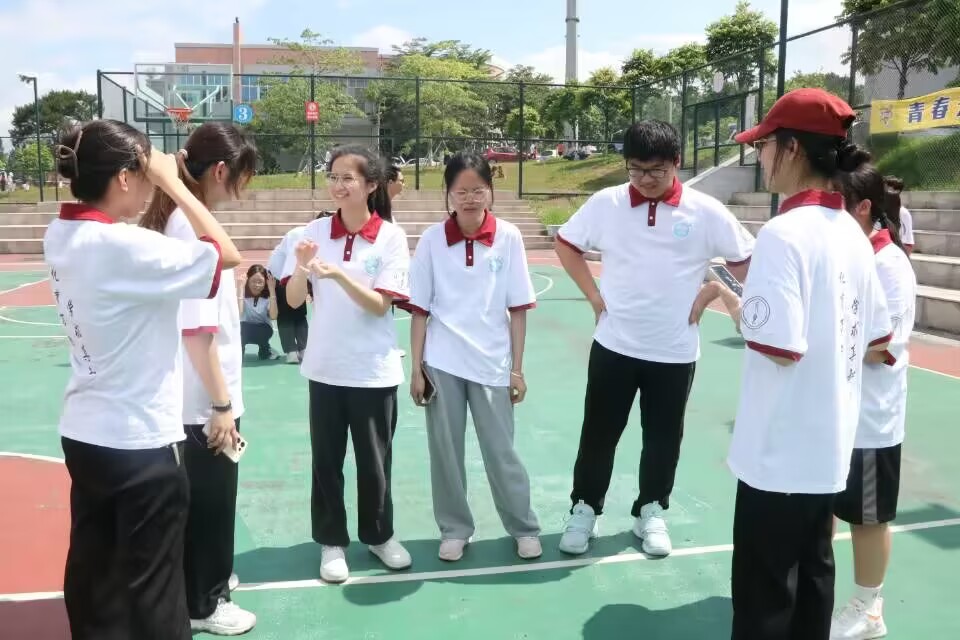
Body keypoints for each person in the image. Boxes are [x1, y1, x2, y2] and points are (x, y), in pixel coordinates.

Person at [43, 119, 242, 639]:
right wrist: (177, 184)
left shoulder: (61, 233)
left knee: (95, 573)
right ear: (125, 177)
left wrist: (157, 173)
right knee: (154, 590)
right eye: (146, 172)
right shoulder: (124, 247)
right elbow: (225, 254)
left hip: (86, 431)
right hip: (138, 442)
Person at [722, 88, 894, 640]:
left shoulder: (784, 233)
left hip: (778, 452)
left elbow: (778, 344)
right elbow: (879, 338)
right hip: (829, 448)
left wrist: (737, 305)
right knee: (813, 582)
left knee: (765, 597)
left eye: (765, 145)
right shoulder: (853, 234)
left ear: (792, 147)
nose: (761, 157)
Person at [553, 120, 755, 557]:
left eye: (656, 170)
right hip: (614, 345)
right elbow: (566, 244)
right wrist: (593, 296)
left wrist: (714, 292)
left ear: (676, 163)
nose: (645, 180)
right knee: (598, 434)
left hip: (674, 350)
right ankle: (585, 507)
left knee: (663, 438)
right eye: (636, 169)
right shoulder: (606, 204)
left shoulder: (705, 211)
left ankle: (651, 509)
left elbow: (745, 262)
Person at [139, 122, 258, 635]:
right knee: (212, 503)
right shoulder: (192, 231)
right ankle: (207, 602)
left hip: (194, 395)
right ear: (221, 171)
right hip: (202, 399)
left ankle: (205, 585)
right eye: (244, 175)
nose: (245, 186)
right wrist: (221, 406)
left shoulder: (178, 222)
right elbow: (198, 331)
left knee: (202, 502)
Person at [283, 144, 412, 583]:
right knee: (326, 461)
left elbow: (380, 306)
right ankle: (331, 542)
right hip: (325, 368)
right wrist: (302, 269)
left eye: (347, 178)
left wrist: (338, 275)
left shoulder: (390, 237)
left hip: (373, 370)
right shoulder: (315, 231)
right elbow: (294, 300)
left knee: (374, 463)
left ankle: (379, 535)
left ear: (371, 185)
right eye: (333, 177)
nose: (338, 185)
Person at [404, 152, 541, 562]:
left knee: (501, 451)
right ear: (448, 194)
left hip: (492, 363)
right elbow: (419, 310)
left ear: (490, 192)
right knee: (446, 453)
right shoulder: (432, 240)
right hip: (442, 362)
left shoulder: (509, 237)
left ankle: (523, 527)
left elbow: (518, 309)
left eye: (477, 190)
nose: (469, 199)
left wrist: (517, 369)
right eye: (461, 191)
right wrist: (416, 369)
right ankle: (454, 529)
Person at [830, 165, 917, 640]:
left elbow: (881, 347)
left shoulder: (888, 265)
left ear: (863, 208)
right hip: (835, 411)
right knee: (822, 505)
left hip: (870, 419)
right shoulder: (850, 254)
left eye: (835, 201)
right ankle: (816, 589)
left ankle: (869, 609)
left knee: (867, 519)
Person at [238, 264, 279, 359]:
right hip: (244, 329)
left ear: (265, 283)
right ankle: (239, 349)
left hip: (263, 330)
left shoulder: (268, 298)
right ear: (247, 281)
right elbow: (239, 313)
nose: (256, 285)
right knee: (241, 328)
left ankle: (265, 349)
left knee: (262, 330)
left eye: (260, 282)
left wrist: (272, 290)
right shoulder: (242, 295)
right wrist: (240, 288)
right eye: (253, 281)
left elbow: (273, 316)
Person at [883, 176, 914, 255]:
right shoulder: (881, 211)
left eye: (886, 188)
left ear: (896, 191)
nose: (883, 191)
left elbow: (908, 241)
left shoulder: (903, 213)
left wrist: (904, 258)